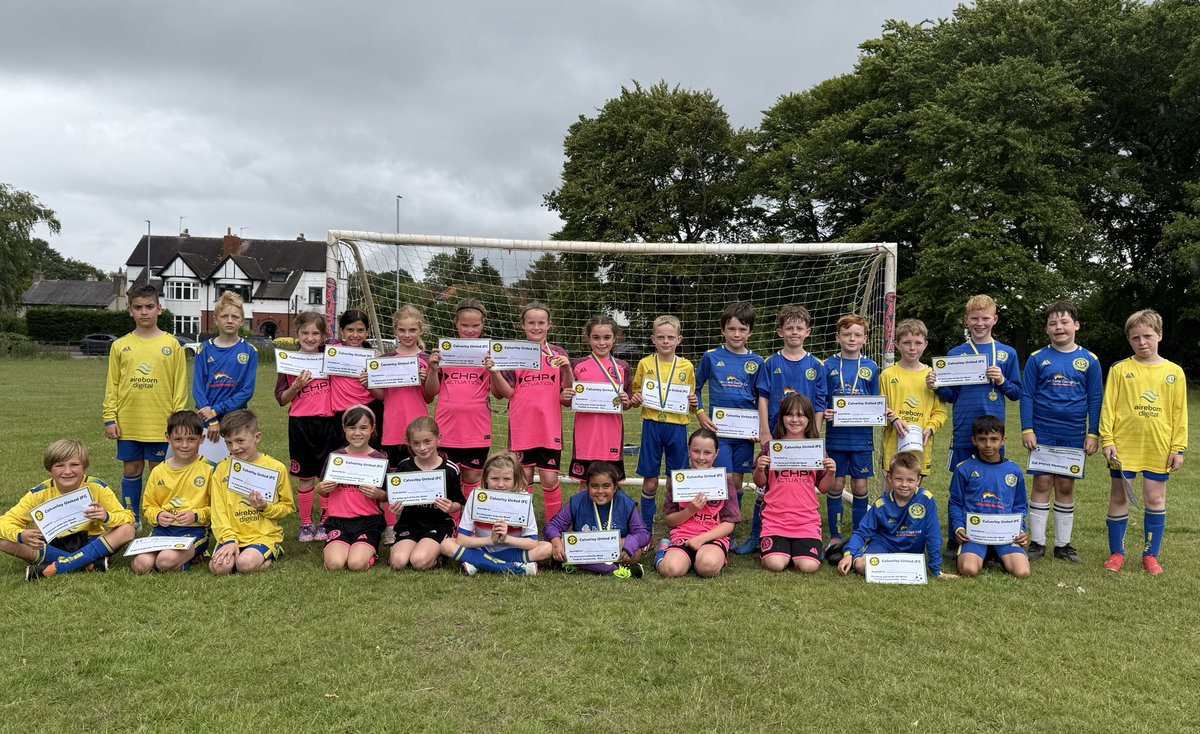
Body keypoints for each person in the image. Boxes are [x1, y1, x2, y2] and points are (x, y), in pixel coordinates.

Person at [930, 294, 1021, 555]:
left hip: (993, 434)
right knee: (960, 484)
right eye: (974, 319)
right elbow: (951, 395)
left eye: (985, 318)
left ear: (995, 320)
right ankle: (956, 536)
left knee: (992, 484)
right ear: (966, 321)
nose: (979, 323)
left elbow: (1016, 393)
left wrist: (1002, 380)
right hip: (963, 431)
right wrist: (937, 386)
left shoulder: (1007, 353)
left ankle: (992, 535)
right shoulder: (956, 354)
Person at [1099, 309, 1187, 575]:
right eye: (1135, 338)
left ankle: (1150, 555)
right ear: (1129, 339)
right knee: (1119, 495)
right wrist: (1107, 440)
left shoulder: (1174, 372)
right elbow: (1109, 407)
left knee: (1154, 497)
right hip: (1124, 446)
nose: (1142, 342)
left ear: (1159, 335)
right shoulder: (1120, 369)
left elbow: (1179, 413)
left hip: (1158, 446)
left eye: (1148, 336)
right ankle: (1117, 553)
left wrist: (1178, 448)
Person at [1019, 300, 1102, 563]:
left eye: (1065, 322)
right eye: (1053, 323)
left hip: (1073, 434)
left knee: (1065, 485)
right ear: (1047, 329)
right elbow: (1027, 395)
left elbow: (1095, 399)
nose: (1059, 327)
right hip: (1042, 432)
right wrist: (1027, 429)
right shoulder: (1037, 358)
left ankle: (1063, 545)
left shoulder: (1089, 360)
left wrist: (1093, 433)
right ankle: (1037, 543)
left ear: (1076, 325)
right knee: (1042, 483)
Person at [739, 304, 827, 554]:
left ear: (807, 332)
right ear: (780, 332)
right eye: (789, 328)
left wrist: (816, 432)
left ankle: (806, 532)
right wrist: (765, 430)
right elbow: (763, 397)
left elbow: (820, 402)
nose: (794, 332)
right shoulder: (771, 363)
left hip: (805, 435)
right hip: (778, 433)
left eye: (799, 328)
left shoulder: (816, 365)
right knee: (765, 481)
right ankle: (757, 535)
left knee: (801, 481)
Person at [102, 284, 188, 520]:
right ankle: (132, 517)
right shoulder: (120, 346)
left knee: (160, 472)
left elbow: (179, 385)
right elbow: (113, 385)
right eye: (138, 307)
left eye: (149, 307)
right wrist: (110, 417)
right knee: (131, 469)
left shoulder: (172, 345)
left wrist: (178, 422)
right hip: (129, 423)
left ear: (159, 309)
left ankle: (163, 516)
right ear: (130, 310)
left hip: (161, 424)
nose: (144, 312)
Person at [1, 439, 135, 580]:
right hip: (51, 546)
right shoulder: (39, 493)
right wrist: (21, 535)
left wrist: (106, 517)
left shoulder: (96, 487)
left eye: (75, 465)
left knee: (128, 530)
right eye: (59, 465)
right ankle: (86, 563)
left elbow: (127, 517)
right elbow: (4, 522)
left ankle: (55, 568)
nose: (67, 471)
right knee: (3, 540)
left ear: (85, 467)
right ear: (49, 469)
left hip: (90, 542)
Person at [493, 302, 572, 523]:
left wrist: (566, 368)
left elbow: (567, 390)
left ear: (549, 325)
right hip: (522, 428)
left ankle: (553, 528)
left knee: (548, 479)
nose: (536, 327)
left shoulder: (557, 353)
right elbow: (509, 393)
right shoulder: (514, 354)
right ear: (523, 325)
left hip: (548, 428)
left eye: (541, 323)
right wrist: (496, 371)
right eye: (531, 323)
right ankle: (522, 526)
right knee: (523, 479)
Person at [696, 301, 765, 526]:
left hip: (745, 434)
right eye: (732, 329)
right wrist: (700, 413)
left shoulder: (757, 362)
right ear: (723, 330)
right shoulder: (711, 357)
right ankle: (715, 522)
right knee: (723, 478)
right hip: (720, 432)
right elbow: (695, 387)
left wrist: (759, 429)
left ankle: (730, 525)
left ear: (750, 332)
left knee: (737, 481)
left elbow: (762, 397)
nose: (737, 334)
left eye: (742, 329)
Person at [630, 314, 699, 535]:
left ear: (679, 339)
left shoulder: (687, 366)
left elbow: (690, 400)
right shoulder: (645, 363)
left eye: (670, 337)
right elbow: (636, 392)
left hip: (677, 427)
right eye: (661, 337)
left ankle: (676, 527)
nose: (666, 341)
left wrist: (693, 402)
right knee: (650, 481)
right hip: (652, 426)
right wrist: (636, 398)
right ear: (653, 339)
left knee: (675, 481)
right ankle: (646, 529)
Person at [752, 394, 836, 574]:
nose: (795, 420)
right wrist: (759, 469)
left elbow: (823, 487)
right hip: (775, 519)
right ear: (782, 417)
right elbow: (760, 482)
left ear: (809, 419)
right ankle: (778, 550)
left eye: (801, 415)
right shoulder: (772, 447)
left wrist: (831, 472)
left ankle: (795, 549)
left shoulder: (815, 449)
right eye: (790, 415)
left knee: (808, 567)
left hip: (806, 520)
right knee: (776, 564)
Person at [425, 299, 496, 503]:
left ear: (483, 325)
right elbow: (431, 393)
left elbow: (500, 394)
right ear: (456, 323)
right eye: (465, 325)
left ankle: (468, 525)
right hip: (447, 428)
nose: (470, 330)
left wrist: (494, 369)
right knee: (449, 477)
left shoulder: (489, 354)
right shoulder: (445, 352)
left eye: (475, 325)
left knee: (473, 478)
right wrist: (433, 369)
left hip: (477, 428)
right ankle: (451, 525)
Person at [821, 314, 880, 555]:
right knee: (835, 484)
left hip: (861, 438)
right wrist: (825, 412)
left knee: (859, 486)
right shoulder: (828, 365)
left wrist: (880, 412)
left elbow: (875, 400)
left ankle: (858, 533)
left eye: (857, 334)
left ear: (865, 339)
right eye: (847, 334)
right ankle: (834, 535)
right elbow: (821, 400)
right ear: (838, 337)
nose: (851, 338)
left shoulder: (871, 367)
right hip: (836, 437)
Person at [275, 311, 337, 542]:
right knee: (305, 476)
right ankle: (305, 524)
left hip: (328, 422)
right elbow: (281, 399)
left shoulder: (330, 357)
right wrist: (297, 386)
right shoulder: (288, 361)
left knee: (327, 475)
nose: (310, 338)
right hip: (301, 423)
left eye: (315, 333)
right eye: (305, 333)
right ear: (297, 334)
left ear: (323, 336)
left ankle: (325, 521)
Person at [838, 452, 950, 579]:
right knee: (861, 566)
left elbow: (933, 535)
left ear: (918, 480)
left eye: (910, 480)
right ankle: (854, 550)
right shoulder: (881, 504)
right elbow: (862, 531)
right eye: (898, 479)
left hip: (911, 553)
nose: (904, 484)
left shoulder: (926, 499)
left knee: (913, 570)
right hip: (884, 545)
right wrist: (848, 554)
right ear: (889, 478)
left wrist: (936, 570)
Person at [208, 410, 294, 575]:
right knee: (219, 568)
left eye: (240, 441)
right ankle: (240, 554)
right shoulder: (221, 470)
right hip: (231, 535)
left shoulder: (275, 468)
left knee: (245, 564)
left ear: (257, 437)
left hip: (262, 535)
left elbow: (288, 507)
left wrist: (265, 508)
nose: (235, 448)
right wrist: (229, 540)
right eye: (229, 443)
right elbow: (218, 511)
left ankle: (272, 552)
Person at [440, 452, 552, 576]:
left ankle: (478, 562)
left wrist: (506, 538)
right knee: (446, 545)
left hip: (513, 550)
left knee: (546, 548)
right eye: (494, 479)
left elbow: (532, 542)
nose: (500, 484)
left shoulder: (523, 499)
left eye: (507, 479)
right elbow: (461, 539)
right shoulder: (477, 496)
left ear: (516, 479)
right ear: (486, 479)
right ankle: (513, 567)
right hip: (482, 547)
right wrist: (490, 540)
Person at [948, 416, 1031, 579]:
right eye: (982, 439)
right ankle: (981, 553)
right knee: (968, 570)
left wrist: (1021, 530)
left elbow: (1020, 506)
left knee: (1023, 572)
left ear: (1003, 441)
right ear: (974, 440)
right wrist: (959, 528)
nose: (988, 445)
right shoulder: (964, 469)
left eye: (994, 439)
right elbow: (955, 503)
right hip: (975, 533)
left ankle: (997, 552)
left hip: (1006, 534)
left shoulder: (1014, 471)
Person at [131, 410, 212, 574]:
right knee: (141, 564)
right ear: (168, 438)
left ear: (201, 439)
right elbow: (149, 506)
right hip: (163, 530)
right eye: (178, 439)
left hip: (193, 531)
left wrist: (196, 515)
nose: (184, 445)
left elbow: (218, 508)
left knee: (164, 561)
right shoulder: (159, 471)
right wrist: (159, 516)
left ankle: (188, 557)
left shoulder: (209, 470)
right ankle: (181, 559)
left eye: (191, 439)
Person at [655, 429, 740, 578]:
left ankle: (700, 557)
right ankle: (664, 551)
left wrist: (701, 539)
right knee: (670, 570)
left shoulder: (724, 480)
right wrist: (690, 510)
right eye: (696, 451)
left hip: (712, 537)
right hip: (684, 535)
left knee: (707, 567)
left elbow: (729, 524)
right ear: (689, 450)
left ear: (716, 453)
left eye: (707, 453)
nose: (701, 457)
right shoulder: (680, 479)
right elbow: (670, 520)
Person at [545, 461, 649, 578]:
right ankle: (613, 569)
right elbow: (552, 526)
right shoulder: (577, 502)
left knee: (636, 553)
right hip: (585, 548)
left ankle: (572, 564)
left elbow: (643, 533)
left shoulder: (625, 503)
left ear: (615, 487)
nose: (600, 491)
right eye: (594, 486)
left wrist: (631, 544)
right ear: (588, 486)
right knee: (561, 545)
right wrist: (555, 542)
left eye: (606, 486)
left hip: (614, 547)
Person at [317, 406, 388, 571]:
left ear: (372, 429)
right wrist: (321, 487)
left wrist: (379, 493)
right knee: (335, 565)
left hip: (368, 521)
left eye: (363, 428)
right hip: (338, 521)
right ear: (344, 429)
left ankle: (366, 555)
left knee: (356, 564)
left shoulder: (378, 459)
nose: (357, 433)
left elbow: (386, 496)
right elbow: (323, 491)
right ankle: (339, 549)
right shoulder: (336, 457)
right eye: (352, 427)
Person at [389, 417, 464, 572]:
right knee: (398, 562)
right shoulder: (404, 466)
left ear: (438, 439)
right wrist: (396, 507)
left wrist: (450, 506)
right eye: (416, 443)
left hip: (438, 525)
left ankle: (438, 557)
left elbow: (458, 503)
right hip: (409, 524)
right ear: (409, 443)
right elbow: (396, 500)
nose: (422, 448)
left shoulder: (450, 469)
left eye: (427, 441)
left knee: (419, 561)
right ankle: (417, 547)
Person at [565, 315, 633, 483]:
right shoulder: (577, 365)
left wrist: (626, 401)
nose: (601, 343)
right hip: (585, 434)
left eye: (607, 337)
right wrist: (565, 396)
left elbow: (628, 403)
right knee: (584, 483)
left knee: (611, 484)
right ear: (588, 338)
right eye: (596, 338)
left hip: (612, 434)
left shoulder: (622, 366)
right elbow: (566, 400)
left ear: (614, 339)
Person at [880, 318, 945, 481]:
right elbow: (878, 408)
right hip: (893, 445)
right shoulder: (887, 375)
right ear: (897, 344)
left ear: (925, 344)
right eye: (907, 342)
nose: (912, 348)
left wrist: (930, 429)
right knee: (891, 493)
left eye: (917, 342)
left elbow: (940, 412)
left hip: (921, 446)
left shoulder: (933, 376)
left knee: (913, 490)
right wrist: (893, 418)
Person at [370, 305, 433, 470]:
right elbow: (384, 396)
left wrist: (427, 378)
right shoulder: (386, 359)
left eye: (412, 330)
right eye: (402, 330)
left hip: (419, 428)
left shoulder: (426, 359)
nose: (407, 335)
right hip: (393, 428)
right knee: (394, 477)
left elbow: (429, 397)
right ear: (395, 330)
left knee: (419, 474)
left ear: (420, 330)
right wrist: (368, 384)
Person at [191, 290, 258, 445]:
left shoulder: (250, 351)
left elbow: (246, 391)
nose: (230, 321)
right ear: (215, 319)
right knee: (208, 466)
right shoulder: (204, 349)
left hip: (235, 418)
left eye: (235, 317)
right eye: (224, 316)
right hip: (207, 419)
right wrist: (212, 418)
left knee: (234, 462)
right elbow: (198, 388)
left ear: (242, 320)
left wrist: (216, 409)